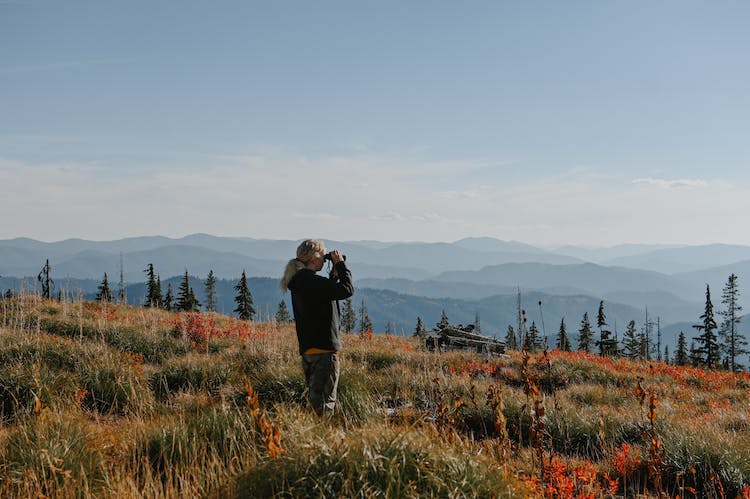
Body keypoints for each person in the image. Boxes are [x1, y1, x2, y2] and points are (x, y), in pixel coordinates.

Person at [280, 239, 353, 415]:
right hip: (324, 352)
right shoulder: (312, 281)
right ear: (314, 259)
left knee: (316, 399)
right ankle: (319, 438)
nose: (325, 260)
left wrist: (333, 276)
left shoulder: (300, 281)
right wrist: (341, 266)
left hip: (309, 351)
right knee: (324, 404)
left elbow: (325, 296)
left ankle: (313, 435)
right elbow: (346, 290)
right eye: (323, 256)